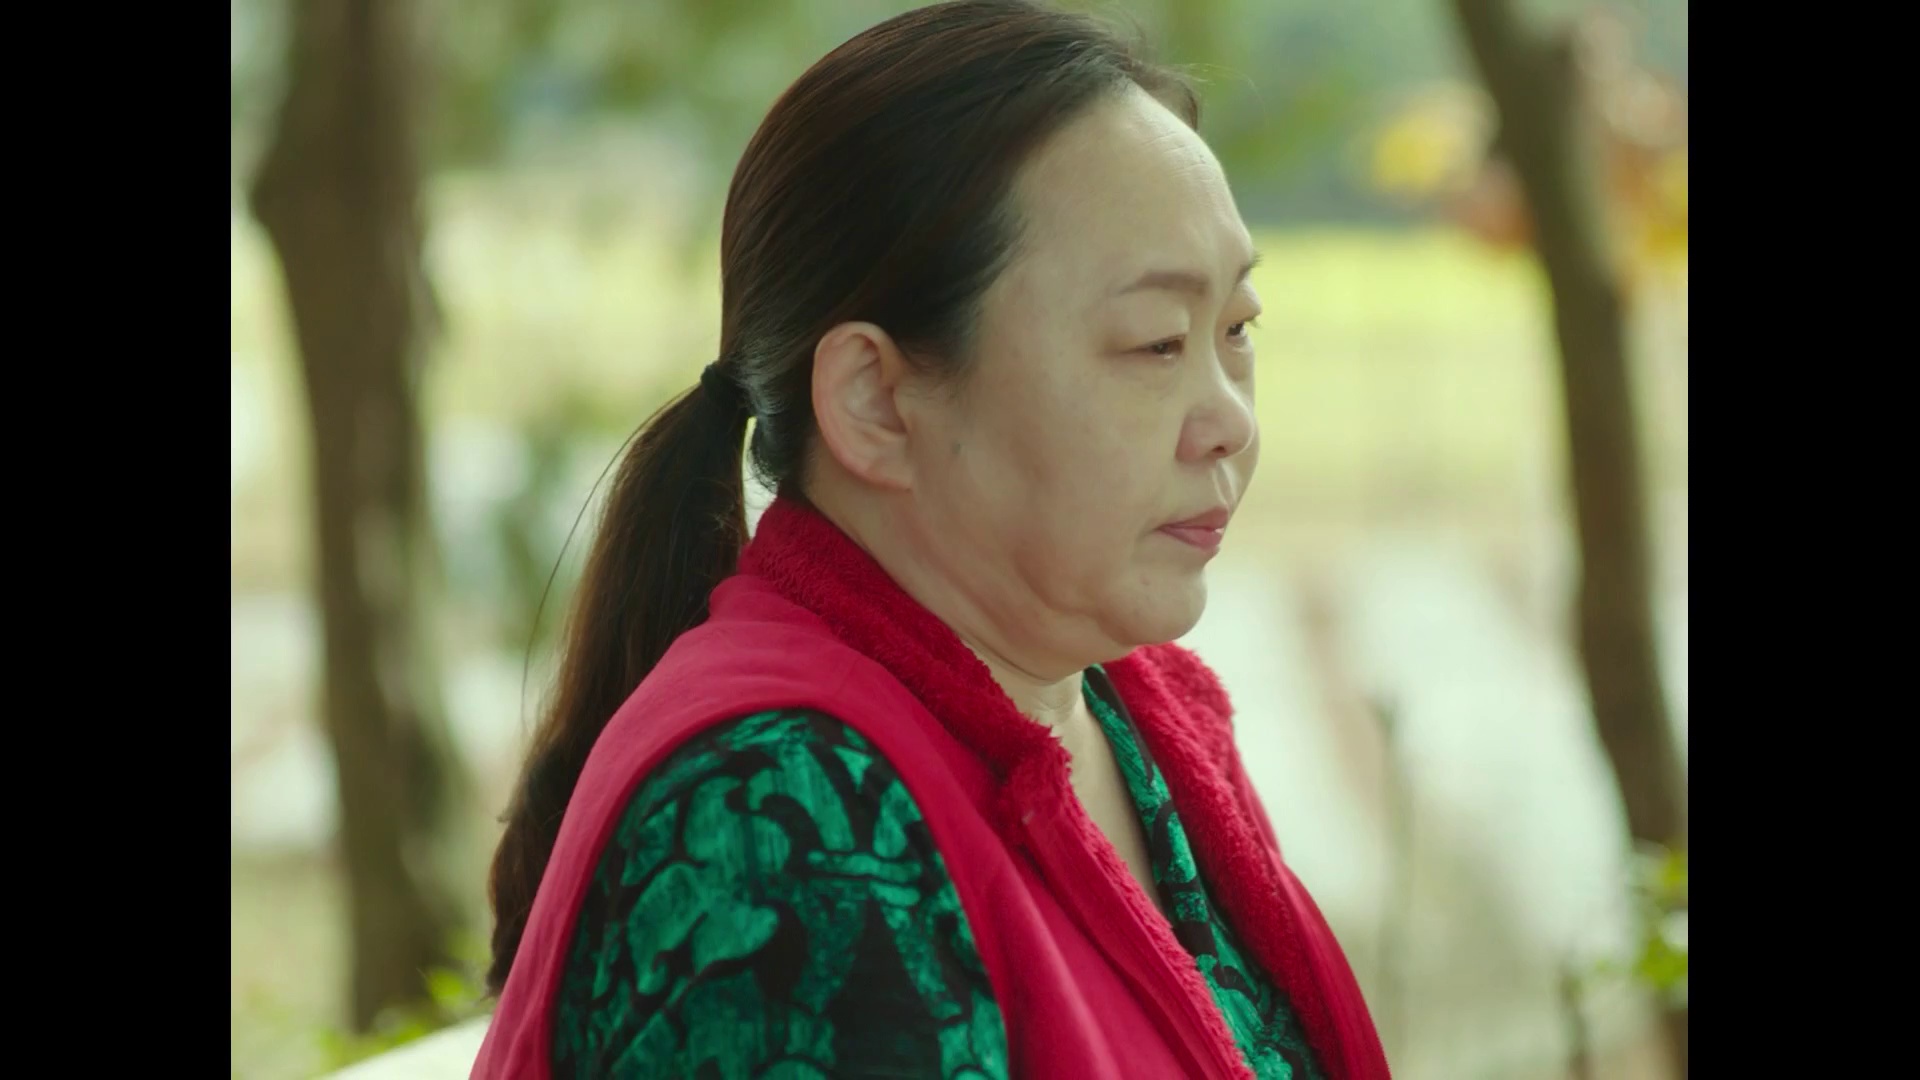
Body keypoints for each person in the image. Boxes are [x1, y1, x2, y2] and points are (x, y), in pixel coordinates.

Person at [473, 2, 1388, 1077]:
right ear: (876, 401)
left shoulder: (1143, 715)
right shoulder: (781, 827)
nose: (1229, 419)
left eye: (1236, 330)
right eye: (1155, 342)